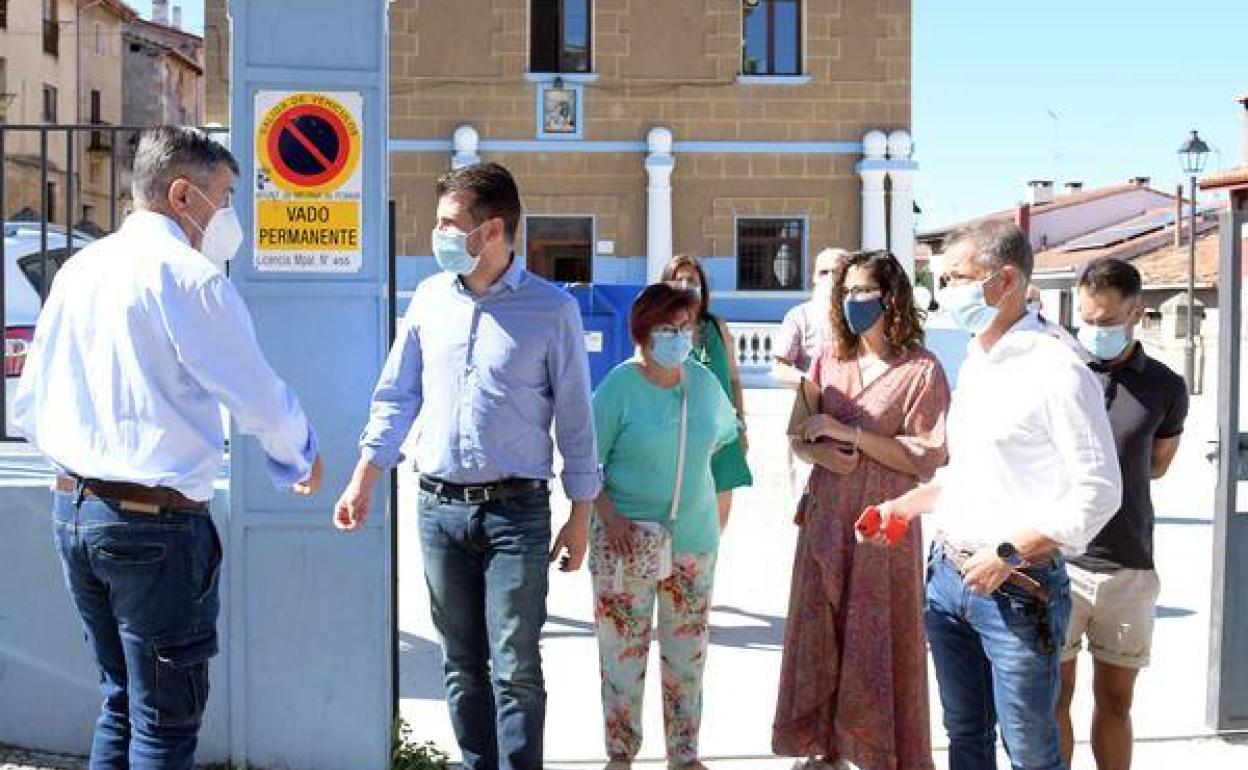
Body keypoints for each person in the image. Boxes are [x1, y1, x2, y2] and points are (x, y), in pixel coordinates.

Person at [13, 126, 322, 770]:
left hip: (75, 511)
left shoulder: (79, 269)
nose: (231, 215)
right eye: (226, 196)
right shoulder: (189, 278)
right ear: (183, 195)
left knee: (121, 704)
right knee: (165, 723)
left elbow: (30, 399)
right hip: (153, 525)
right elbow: (258, 396)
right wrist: (299, 455)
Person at [333, 162, 599, 770]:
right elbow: (396, 396)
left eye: (451, 224)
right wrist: (363, 479)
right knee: (461, 663)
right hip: (438, 510)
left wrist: (580, 517)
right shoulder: (429, 300)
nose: (440, 235)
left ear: (494, 230)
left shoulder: (551, 310)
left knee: (515, 667)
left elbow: (576, 422)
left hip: (517, 513)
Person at [870, 220, 1122, 770]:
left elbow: (1100, 490)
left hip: (1015, 586)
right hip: (948, 579)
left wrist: (1008, 552)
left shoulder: (1057, 368)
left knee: (1029, 751)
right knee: (965, 736)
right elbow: (979, 474)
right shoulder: (979, 357)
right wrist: (906, 505)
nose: (944, 291)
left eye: (957, 277)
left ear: (1005, 281)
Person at [772, 250, 950, 770]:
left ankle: (877, 754)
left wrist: (852, 435)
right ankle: (825, 749)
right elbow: (798, 432)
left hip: (881, 527)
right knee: (820, 636)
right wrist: (814, 448)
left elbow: (925, 456)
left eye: (862, 292)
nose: (851, 301)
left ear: (891, 297)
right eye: (845, 292)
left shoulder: (921, 370)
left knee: (876, 640)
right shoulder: (829, 359)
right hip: (826, 518)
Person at [589, 282, 739, 770]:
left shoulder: (704, 385)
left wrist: (717, 512)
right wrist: (608, 516)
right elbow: (585, 461)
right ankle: (620, 753)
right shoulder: (618, 386)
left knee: (687, 657)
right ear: (642, 332)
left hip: (693, 541)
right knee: (622, 655)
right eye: (666, 328)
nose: (678, 337)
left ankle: (684, 755)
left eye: (684, 327)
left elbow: (725, 444)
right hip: (625, 540)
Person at [1057, 258, 1188, 770]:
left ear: (1137, 311)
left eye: (1108, 321)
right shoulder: (1058, 372)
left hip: (1128, 566)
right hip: (1058, 561)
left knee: (1116, 703)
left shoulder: (1165, 386)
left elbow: (1156, 465)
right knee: (1052, 699)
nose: (1096, 330)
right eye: (1087, 319)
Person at [661, 255, 753, 529]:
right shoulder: (657, 331)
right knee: (677, 531)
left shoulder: (717, 327)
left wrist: (742, 427)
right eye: (678, 280)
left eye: (692, 280)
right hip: (677, 440)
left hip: (722, 440)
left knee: (713, 531)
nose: (686, 285)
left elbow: (734, 379)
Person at [772, 247, 851, 387]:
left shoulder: (861, 314)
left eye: (837, 272)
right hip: (814, 400)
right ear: (814, 277)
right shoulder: (798, 316)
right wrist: (812, 381)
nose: (830, 279)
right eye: (824, 272)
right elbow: (780, 367)